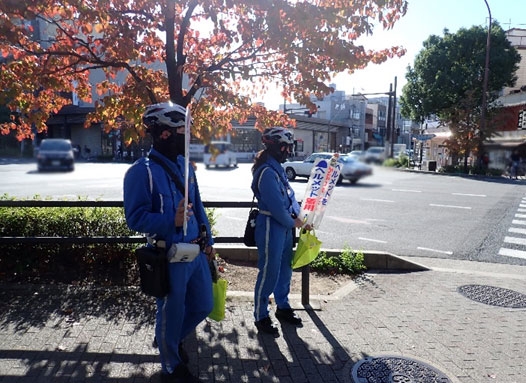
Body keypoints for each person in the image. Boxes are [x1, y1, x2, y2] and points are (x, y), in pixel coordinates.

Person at [123, 101, 215, 383]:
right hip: (169, 255)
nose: (188, 138)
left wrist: (208, 240)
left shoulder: (186, 167)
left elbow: (198, 206)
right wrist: (170, 221)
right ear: (164, 134)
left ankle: (168, 341)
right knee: (170, 311)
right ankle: (171, 366)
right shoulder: (142, 171)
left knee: (203, 305)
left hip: (196, 252)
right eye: (181, 132)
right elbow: (135, 219)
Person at [251, 127, 308, 336]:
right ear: (275, 146)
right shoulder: (266, 171)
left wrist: (300, 215)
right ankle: (260, 315)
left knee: (285, 268)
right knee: (269, 271)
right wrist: (294, 222)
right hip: (270, 226)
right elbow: (276, 206)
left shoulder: (276, 169)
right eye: (285, 146)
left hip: (283, 228)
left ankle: (282, 306)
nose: (288, 151)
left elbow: (289, 198)